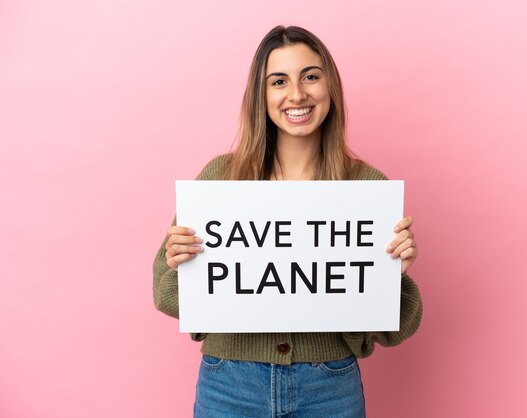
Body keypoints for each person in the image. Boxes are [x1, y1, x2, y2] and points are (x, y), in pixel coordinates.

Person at [153, 25, 423, 418]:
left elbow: (394, 328)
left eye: (311, 76)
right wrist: (181, 264)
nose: (297, 94)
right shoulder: (220, 179)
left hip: (330, 386)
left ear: (330, 86)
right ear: (260, 96)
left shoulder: (366, 187)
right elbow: (166, 296)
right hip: (230, 383)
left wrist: (392, 272)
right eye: (279, 81)